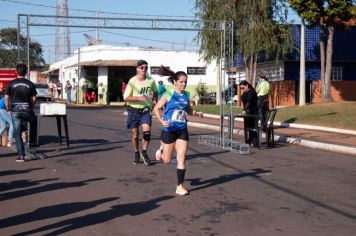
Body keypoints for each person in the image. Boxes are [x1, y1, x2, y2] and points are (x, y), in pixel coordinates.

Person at [153, 66, 203, 196]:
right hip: (169, 130)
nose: (183, 84)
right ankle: (162, 149)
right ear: (175, 82)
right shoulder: (168, 94)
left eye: (185, 82)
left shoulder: (186, 95)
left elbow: (188, 110)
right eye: (181, 82)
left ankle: (179, 186)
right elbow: (156, 108)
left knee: (181, 157)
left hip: (182, 129)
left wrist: (196, 113)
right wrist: (161, 120)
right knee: (167, 160)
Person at [123, 60, 157, 165]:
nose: (144, 69)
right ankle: (136, 152)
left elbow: (155, 91)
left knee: (147, 132)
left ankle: (144, 152)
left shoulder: (151, 81)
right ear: (137, 69)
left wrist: (154, 99)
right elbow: (126, 97)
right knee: (135, 135)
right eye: (142, 67)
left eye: (146, 67)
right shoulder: (132, 81)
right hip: (133, 111)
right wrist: (139, 98)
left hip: (145, 110)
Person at [5, 64, 37, 162]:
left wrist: (8, 109)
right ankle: (32, 141)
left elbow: (6, 98)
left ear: (16, 71)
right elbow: (34, 98)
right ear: (26, 72)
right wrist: (31, 107)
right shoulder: (30, 83)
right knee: (34, 121)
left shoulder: (11, 83)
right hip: (27, 110)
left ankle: (21, 155)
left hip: (15, 111)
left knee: (17, 133)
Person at [239, 80, 258, 146]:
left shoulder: (251, 92)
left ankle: (254, 141)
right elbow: (244, 100)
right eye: (241, 88)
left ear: (247, 85)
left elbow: (249, 102)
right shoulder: (245, 92)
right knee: (247, 126)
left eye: (243, 87)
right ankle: (248, 141)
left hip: (253, 112)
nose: (242, 89)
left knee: (252, 126)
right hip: (248, 112)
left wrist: (245, 110)